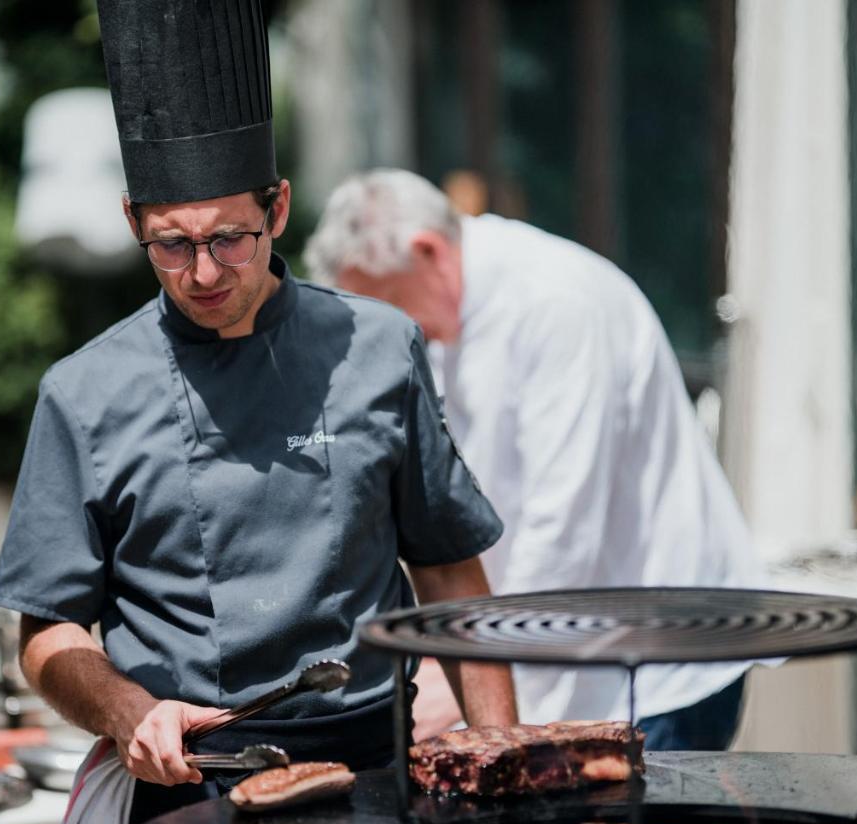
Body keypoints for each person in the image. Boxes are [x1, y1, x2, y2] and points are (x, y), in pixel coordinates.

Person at [0, 0, 516, 824]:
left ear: (277, 208)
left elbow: (452, 572)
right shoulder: (82, 390)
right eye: (169, 244)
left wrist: (498, 758)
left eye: (229, 238)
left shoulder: (378, 347)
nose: (202, 272)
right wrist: (130, 711)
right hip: (186, 781)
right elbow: (48, 632)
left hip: (373, 769)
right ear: (133, 222)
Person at [305, 168, 768, 751]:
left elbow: (563, 526)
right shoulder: (450, 309)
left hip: (658, 662)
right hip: (553, 646)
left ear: (428, 252)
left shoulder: (555, 303)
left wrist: (467, 679)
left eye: (390, 306)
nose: (391, 331)